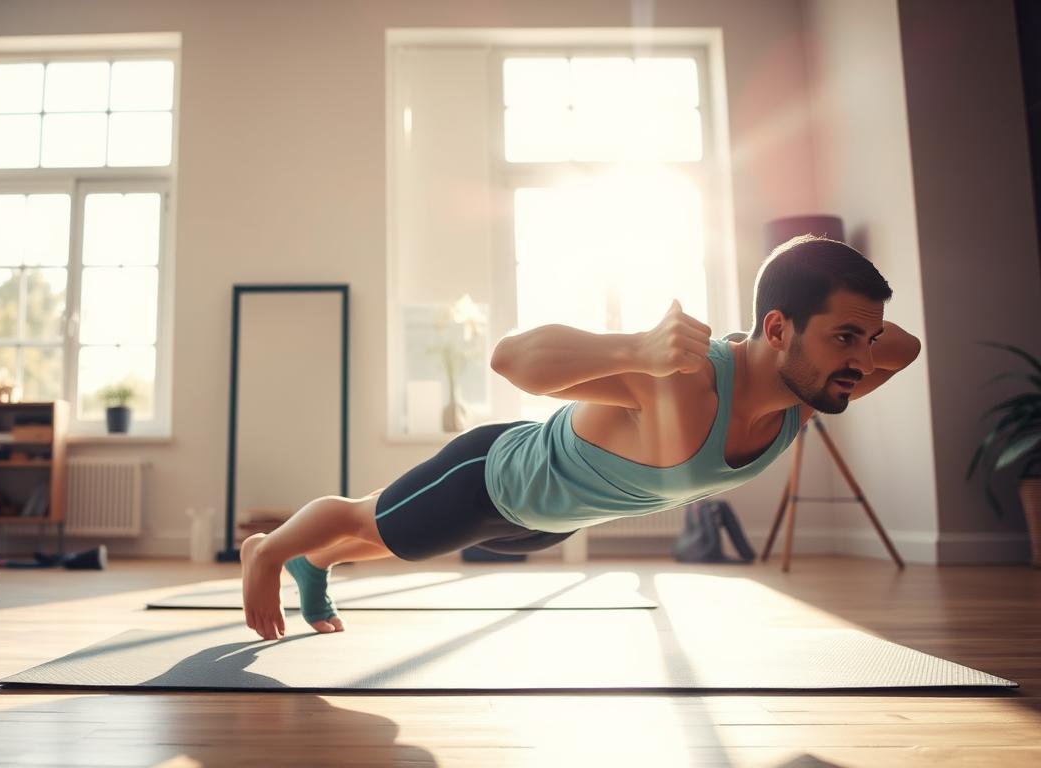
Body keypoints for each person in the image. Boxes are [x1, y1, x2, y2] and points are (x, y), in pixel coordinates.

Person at [240, 235, 923, 641]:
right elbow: (510, 358)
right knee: (369, 519)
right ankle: (269, 550)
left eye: (865, 339)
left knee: (393, 542)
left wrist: (847, 325)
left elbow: (907, 347)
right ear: (779, 329)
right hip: (493, 477)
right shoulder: (682, 380)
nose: (862, 362)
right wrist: (637, 348)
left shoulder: (811, 393)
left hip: (546, 524)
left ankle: (317, 563)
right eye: (843, 337)